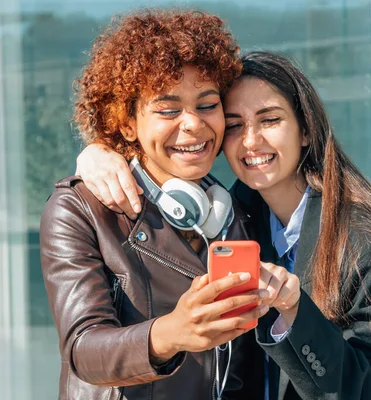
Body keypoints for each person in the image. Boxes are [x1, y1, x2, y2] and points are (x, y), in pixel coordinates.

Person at [76, 51, 371, 399]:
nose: (251, 141)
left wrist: (296, 313)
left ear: (305, 130)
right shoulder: (229, 219)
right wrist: (98, 154)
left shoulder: (365, 242)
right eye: (235, 125)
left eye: (270, 120)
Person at [39, 10, 270, 400]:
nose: (193, 124)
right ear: (126, 123)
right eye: (167, 110)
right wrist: (170, 333)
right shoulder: (78, 210)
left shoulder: (234, 212)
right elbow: (83, 351)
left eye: (207, 105)